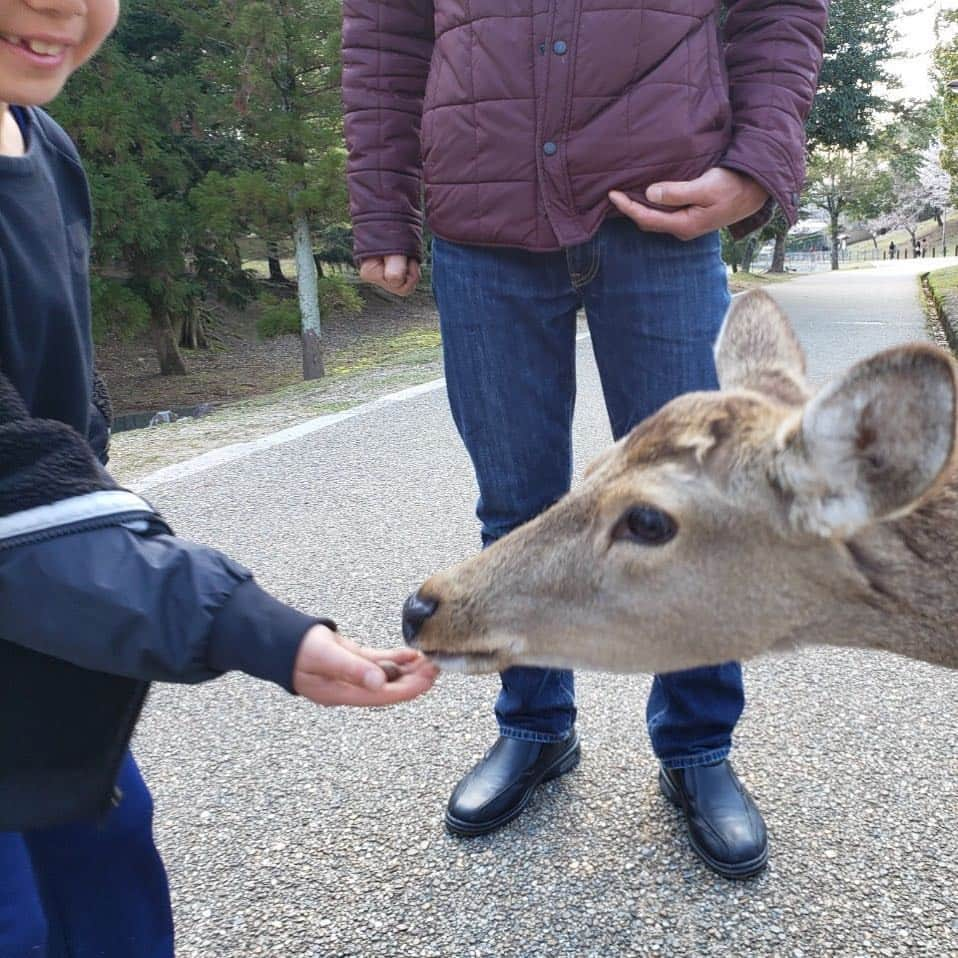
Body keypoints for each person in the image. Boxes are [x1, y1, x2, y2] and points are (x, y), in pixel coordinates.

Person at [343, 0, 827, 879]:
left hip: (663, 210)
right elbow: (385, 30)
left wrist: (759, 160)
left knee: (692, 506)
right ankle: (535, 729)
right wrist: (381, 204)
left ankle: (696, 745)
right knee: (516, 507)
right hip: (480, 221)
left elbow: (780, 11)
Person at [0, 3, 438, 955]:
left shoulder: (42, 141)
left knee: (107, 858)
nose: (65, 7)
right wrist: (253, 628)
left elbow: (61, 419)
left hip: (38, 652)